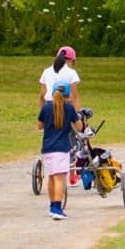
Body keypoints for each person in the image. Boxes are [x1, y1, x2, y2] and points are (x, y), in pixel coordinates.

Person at [37, 81, 82, 220]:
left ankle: (52, 206)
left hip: (47, 148)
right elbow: (79, 127)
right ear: (68, 95)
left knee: (51, 177)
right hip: (61, 148)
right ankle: (57, 208)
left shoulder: (46, 108)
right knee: (59, 179)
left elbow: (39, 126)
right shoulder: (69, 108)